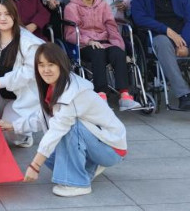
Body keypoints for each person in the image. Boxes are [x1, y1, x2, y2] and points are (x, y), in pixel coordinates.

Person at [18, 43, 127, 198]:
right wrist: (14, 126)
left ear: (61, 65)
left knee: (66, 129)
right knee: (50, 155)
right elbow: (42, 117)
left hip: (112, 148)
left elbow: (58, 128)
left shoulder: (73, 92)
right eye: (41, 65)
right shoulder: (54, 85)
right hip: (98, 140)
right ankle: (89, 167)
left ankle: (78, 184)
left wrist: (35, 165)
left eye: (51, 64)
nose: (45, 70)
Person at [63, 0, 141, 111]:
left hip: (105, 42)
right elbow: (70, 34)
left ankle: (124, 95)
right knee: (98, 53)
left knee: (118, 53)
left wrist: (119, 46)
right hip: (84, 45)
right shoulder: (71, 7)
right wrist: (89, 41)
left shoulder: (103, 5)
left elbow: (111, 27)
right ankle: (101, 94)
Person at [0, 0, 43, 148]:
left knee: (12, 131)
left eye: (7, 14)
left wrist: (1, 82)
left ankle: (24, 136)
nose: (3, 18)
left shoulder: (28, 41)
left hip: (20, 98)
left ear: (15, 15)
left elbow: (30, 71)